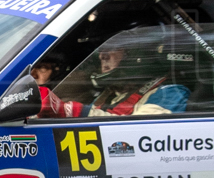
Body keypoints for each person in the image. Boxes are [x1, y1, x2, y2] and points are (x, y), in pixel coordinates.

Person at [39, 29, 190, 118]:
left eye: (111, 48)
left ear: (133, 55)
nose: (101, 56)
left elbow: (141, 134)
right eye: (101, 50)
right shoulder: (110, 93)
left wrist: (72, 111)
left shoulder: (170, 92)